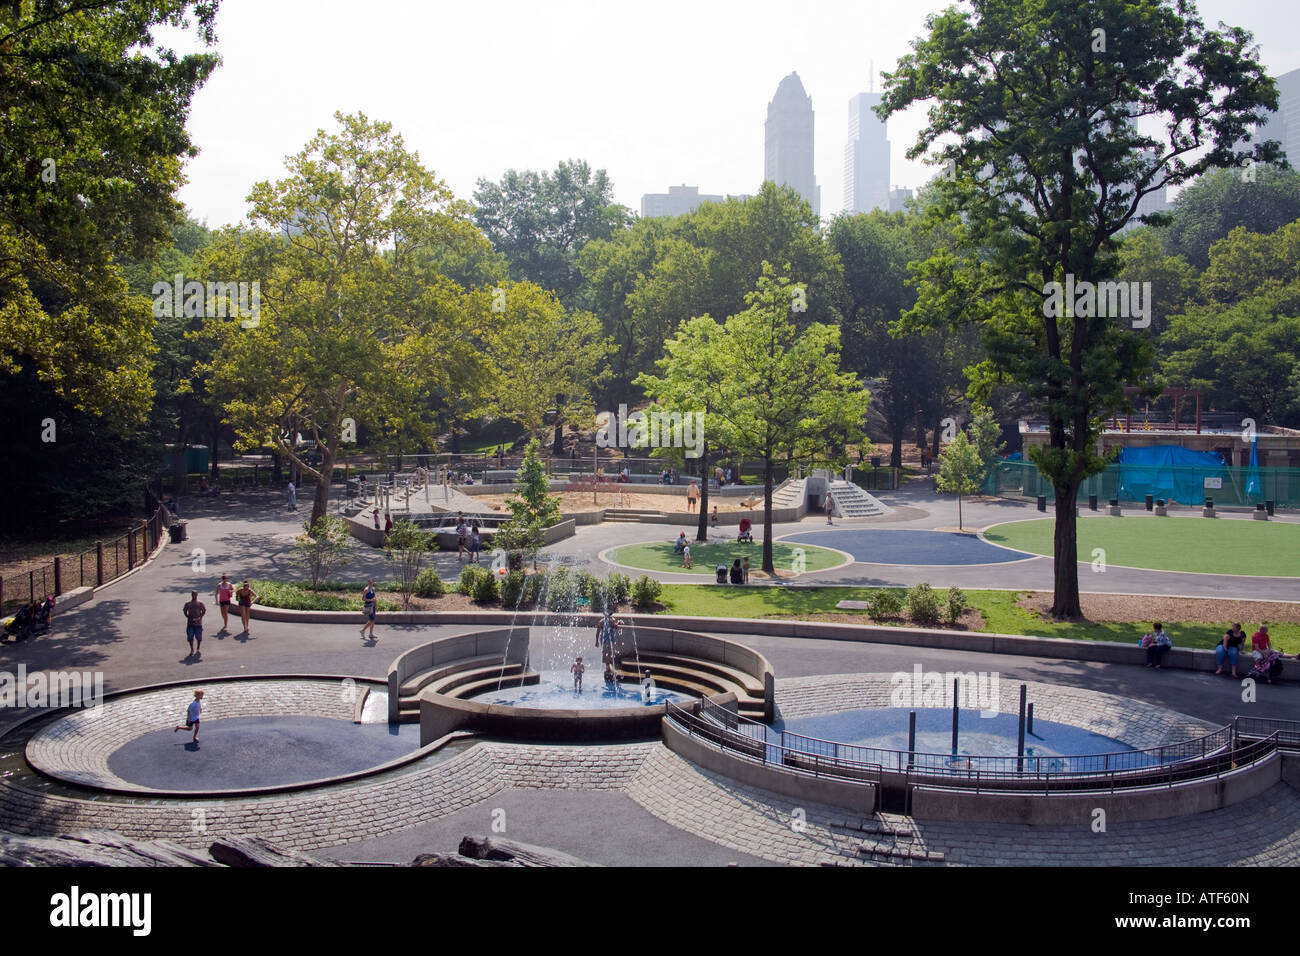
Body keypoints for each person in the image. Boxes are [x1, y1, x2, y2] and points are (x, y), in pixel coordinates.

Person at [182, 591, 205, 658]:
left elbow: (204, 611)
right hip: (190, 623)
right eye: (193, 594)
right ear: (191, 595)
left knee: (199, 637)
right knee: (190, 637)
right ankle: (192, 649)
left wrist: (200, 617)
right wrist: (188, 616)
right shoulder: (188, 604)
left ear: (197, 595)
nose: (194, 596)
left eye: (195, 594)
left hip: (198, 623)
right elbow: (185, 611)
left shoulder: (200, 603)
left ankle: (198, 647)